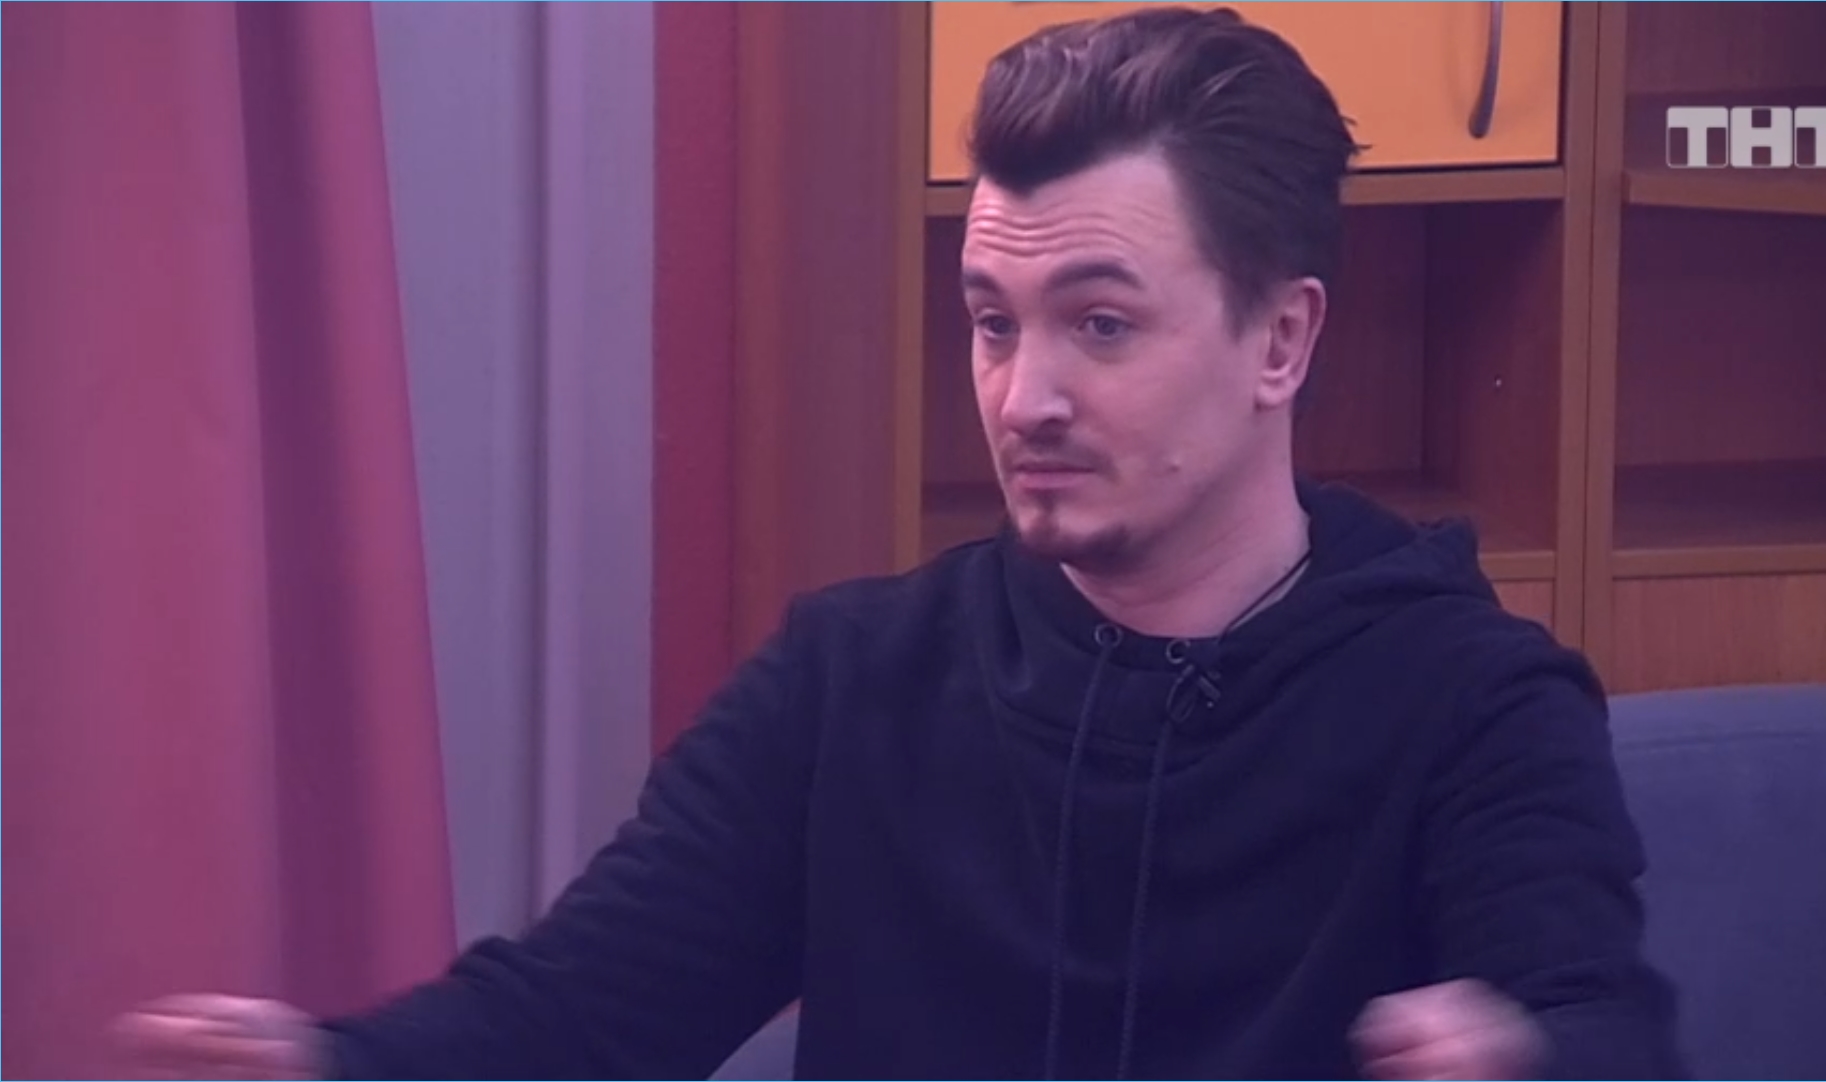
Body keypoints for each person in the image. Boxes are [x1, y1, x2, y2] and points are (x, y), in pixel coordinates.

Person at [114, 7, 1687, 1079]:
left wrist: (1519, 1056)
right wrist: (338, 1061)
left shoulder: (1466, 694)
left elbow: (1601, 1024)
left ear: (1278, 340)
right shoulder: (852, 678)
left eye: (1100, 324)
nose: (1024, 395)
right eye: (992, 322)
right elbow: (588, 1010)